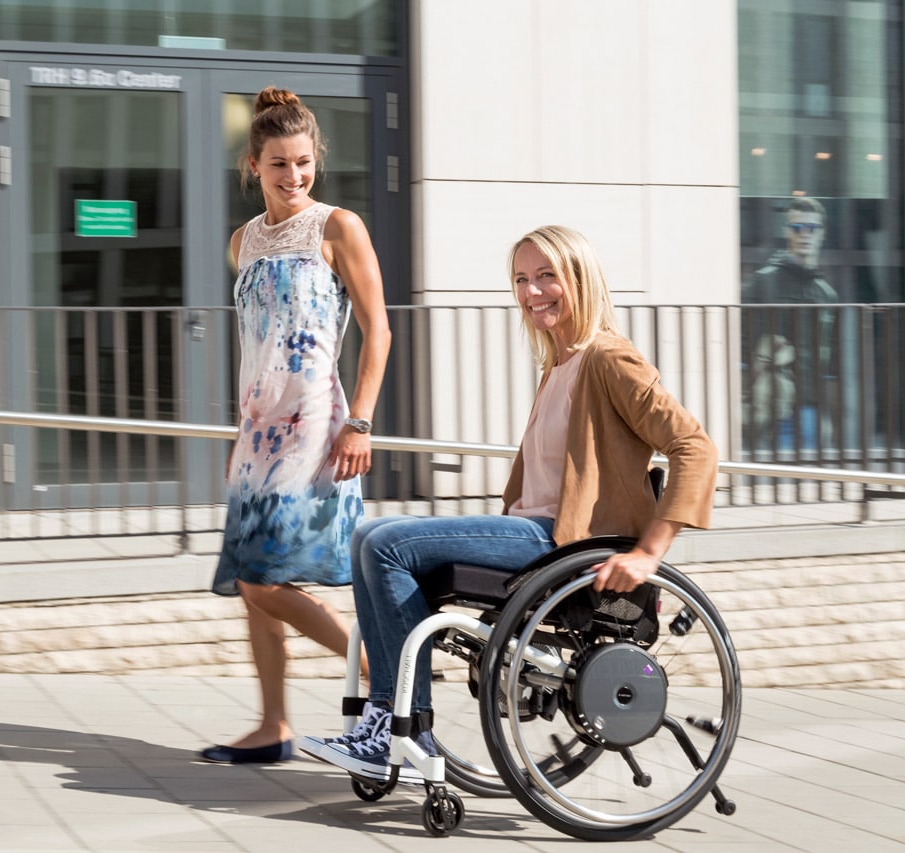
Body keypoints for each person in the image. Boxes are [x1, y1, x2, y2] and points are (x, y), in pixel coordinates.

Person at [299, 225, 718, 781]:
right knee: (367, 539)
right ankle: (386, 723)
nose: (532, 291)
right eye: (521, 279)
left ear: (580, 279)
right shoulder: (558, 368)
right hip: (532, 534)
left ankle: (399, 728)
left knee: (385, 543)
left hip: (559, 541)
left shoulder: (609, 360)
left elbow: (696, 447)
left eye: (547, 275)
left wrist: (649, 552)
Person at [199, 87, 391, 764]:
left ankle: (378, 670)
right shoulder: (241, 242)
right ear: (254, 165)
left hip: (315, 425)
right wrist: (241, 433)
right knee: (254, 588)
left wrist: (360, 422)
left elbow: (379, 332)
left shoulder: (339, 227)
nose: (294, 176)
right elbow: (258, 344)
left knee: (262, 579)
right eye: (279, 163)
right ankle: (273, 724)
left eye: (303, 162)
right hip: (257, 431)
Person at [741, 197, 838, 452]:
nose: (804, 235)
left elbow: (829, 358)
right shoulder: (763, 283)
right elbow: (740, 342)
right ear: (787, 232)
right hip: (775, 404)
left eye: (811, 228)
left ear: (822, 234)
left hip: (812, 408)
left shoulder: (825, 293)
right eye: (797, 228)